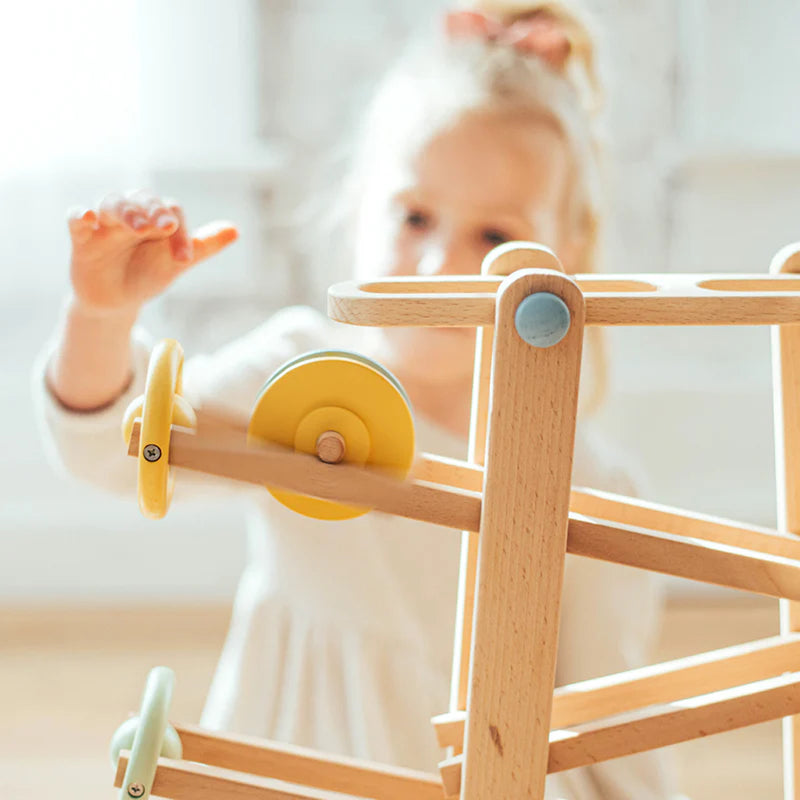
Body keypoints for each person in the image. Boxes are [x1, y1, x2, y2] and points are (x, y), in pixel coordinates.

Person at [33, 2, 679, 797]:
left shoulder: (593, 486)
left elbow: (610, 727)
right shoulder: (297, 371)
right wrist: (99, 316)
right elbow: (115, 450)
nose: (441, 264)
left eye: (492, 236)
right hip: (283, 771)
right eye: (415, 216)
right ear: (360, 210)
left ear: (564, 256)